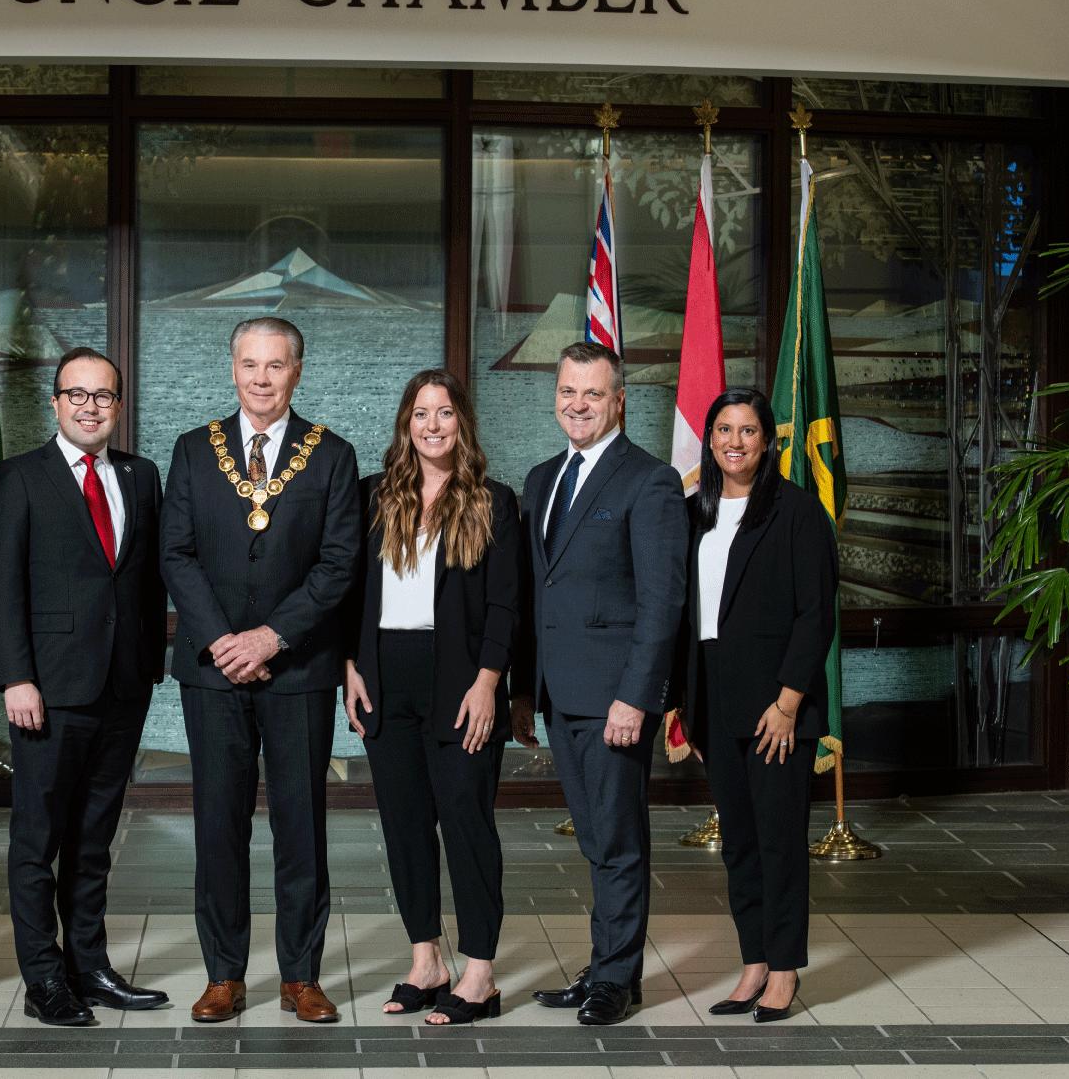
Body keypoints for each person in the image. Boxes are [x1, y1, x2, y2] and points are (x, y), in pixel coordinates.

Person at [161, 317, 361, 1024]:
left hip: (298, 669)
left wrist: (271, 638)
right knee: (219, 824)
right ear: (233, 369)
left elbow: (339, 563)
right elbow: (175, 553)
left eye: (276, 365)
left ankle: (301, 975)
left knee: (300, 825)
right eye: (250, 364)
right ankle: (224, 973)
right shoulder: (193, 450)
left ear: (297, 372)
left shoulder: (333, 455)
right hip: (213, 670)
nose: (262, 378)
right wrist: (224, 641)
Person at [0, 347, 170, 1027]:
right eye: (77, 395)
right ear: (56, 403)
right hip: (49, 688)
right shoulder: (17, 478)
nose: (91, 407)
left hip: (123, 684)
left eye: (103, 396)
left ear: (118, 404)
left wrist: (151, 662)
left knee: (94, 837)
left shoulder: (141, 476)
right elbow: (0, 587)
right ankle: (44, 977)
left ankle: (89, 966)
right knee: (38, 840)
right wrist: (16, 677)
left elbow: (145, 579)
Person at [343, 370, 524, 1026]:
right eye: (420, 413)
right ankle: (427, 960)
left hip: (462, 680)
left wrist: (489, 682)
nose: (432, 425)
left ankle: (480, 972)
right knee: (404, 825)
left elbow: (505, 603)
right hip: (385, 678)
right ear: (406, 423)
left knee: (467, 822)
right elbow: (350, 590)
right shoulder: (373, 495)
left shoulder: (493, 501)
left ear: (462, 423)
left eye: (444, 413)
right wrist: (349, 665)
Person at [515, 340, 687, 1027]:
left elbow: (662, 602)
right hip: (560, 694)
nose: (578, 404)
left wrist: (636, 696)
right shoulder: (542, 479)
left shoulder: (650, 481)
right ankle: (607, 965)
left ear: (619, 400)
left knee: (617, 841)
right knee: (594, 839)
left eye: (592, 393)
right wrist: (524, 691)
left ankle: (615, 979)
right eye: (567, 391)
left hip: (615, 697)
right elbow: (538, 594)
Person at [680, 388, 837, 1023]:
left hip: (776, 705)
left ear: (768, 441)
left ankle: (784, 969)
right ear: (710, 439)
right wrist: (686, 705)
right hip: (714, 698)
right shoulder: (694, 512)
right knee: (739, 843)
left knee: (779, 842)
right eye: (724, 430)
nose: (735, 442)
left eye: (748, 430)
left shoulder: (797, 511)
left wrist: (789, 702)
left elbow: (815, 614)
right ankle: (753, 962)